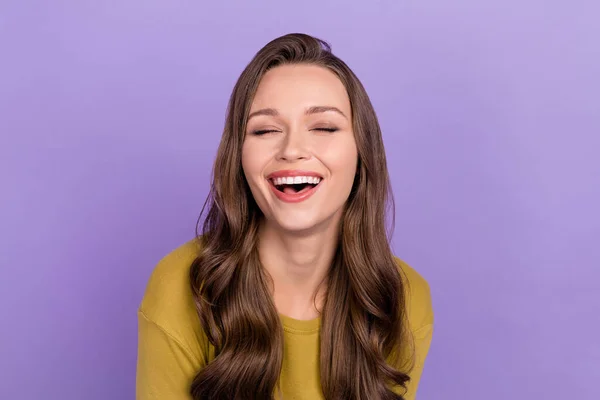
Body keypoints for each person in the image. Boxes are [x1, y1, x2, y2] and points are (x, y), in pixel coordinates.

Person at [136, 33, 434, 400]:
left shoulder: (402, 299)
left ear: (362, 154)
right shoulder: (182, 287)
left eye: (324, 127)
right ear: (239, 157)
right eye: (265, 130)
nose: (292, 150)